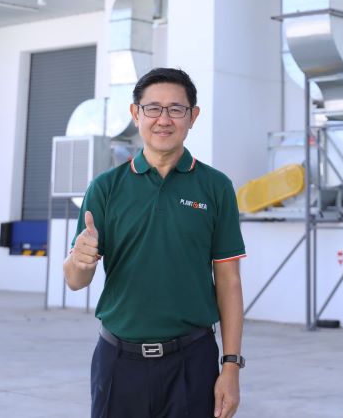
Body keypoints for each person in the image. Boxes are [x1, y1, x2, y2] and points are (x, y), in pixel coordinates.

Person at [64, 66, 246, 418]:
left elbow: (229, 281)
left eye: (176, 109)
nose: (164, 119)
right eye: (153, 108)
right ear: (136, 114)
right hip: (118, 362)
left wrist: (231, 366)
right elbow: (75, 280)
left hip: (193, 361)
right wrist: (78, 261)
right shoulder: (105, 188)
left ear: (193, 116)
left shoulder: (216, 187)